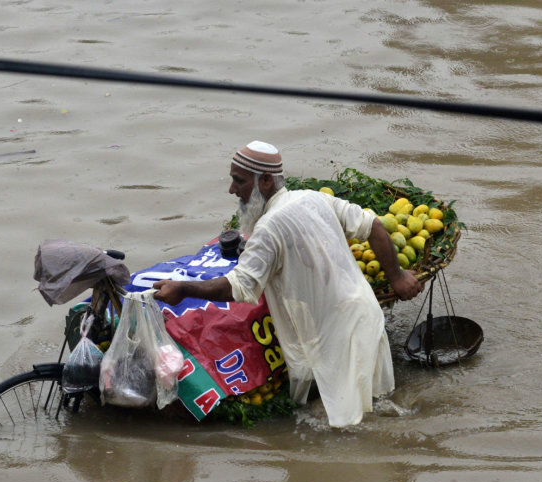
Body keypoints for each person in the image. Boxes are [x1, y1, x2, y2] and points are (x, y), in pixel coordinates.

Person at [153, 141, 422, 427]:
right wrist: (397, 276)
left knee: (344, 430)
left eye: (239, 181)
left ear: (266, 181)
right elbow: (374, 226)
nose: (232, 190)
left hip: (340, 340)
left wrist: (183, 289)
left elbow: (238, 287)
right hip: (366, 318)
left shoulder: (269, 228)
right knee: (378, 412)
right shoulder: (313, 198)